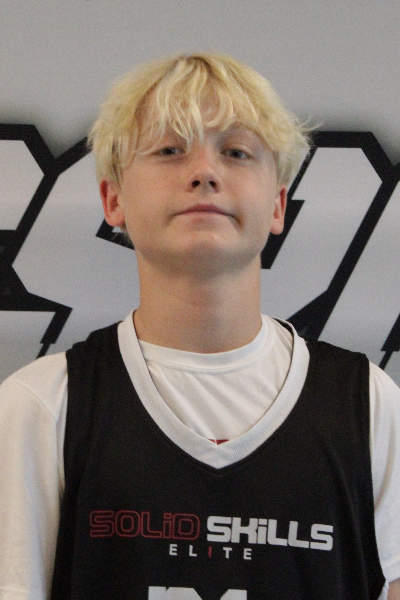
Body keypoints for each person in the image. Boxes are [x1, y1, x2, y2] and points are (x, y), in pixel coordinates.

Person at [0, 52, 399, 600]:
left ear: (278, 205)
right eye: (170, 150)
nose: (205, 172)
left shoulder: (369, 406)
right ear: (113, 199)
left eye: (236, 152)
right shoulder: (42, 407)